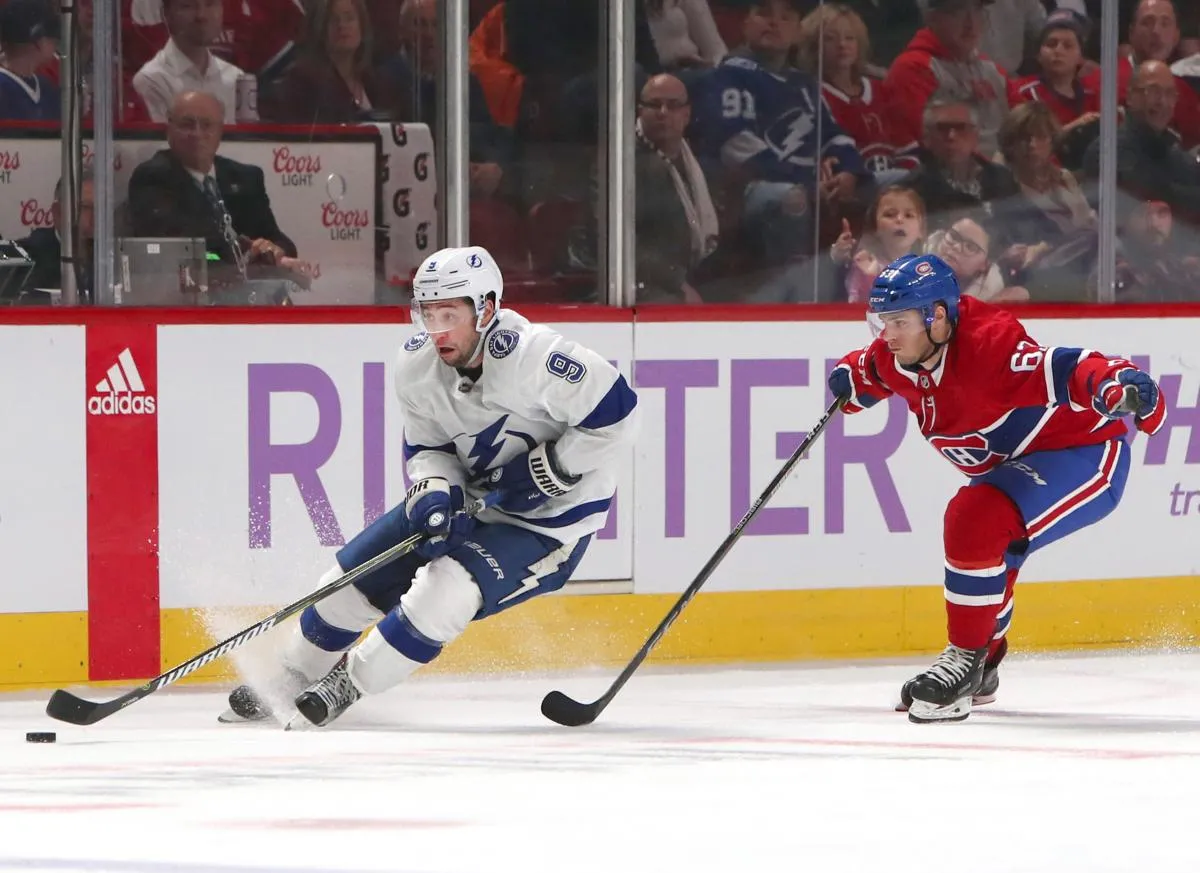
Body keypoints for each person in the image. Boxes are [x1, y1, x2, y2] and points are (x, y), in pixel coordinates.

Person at [222, 245, 640, 728]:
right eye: (427, 313)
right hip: (478, 496)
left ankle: (349, 683)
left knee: (446, 590)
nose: (436, 329)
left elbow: (620, 417)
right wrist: (439, 487)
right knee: (347, 584)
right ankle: (295, 671)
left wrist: (553, 466)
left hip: (550, 521)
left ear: (485, 309)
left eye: (449, 314)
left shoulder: (538, 358)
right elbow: (427, 447)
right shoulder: (416, 366)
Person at [827, 253, 1166, 724]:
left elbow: (1071, 368)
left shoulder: (993, 350)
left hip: (1085, 454)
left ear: (937, 316)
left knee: (975, 517)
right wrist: (849, 379)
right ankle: (983, 662)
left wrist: (1118, 385)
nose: (887, 334)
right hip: (1012, 470)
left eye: (898, 321)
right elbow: (868, 369)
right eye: (882, 322)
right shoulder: (899, 352)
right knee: (986, 545)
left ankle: (965, 662)